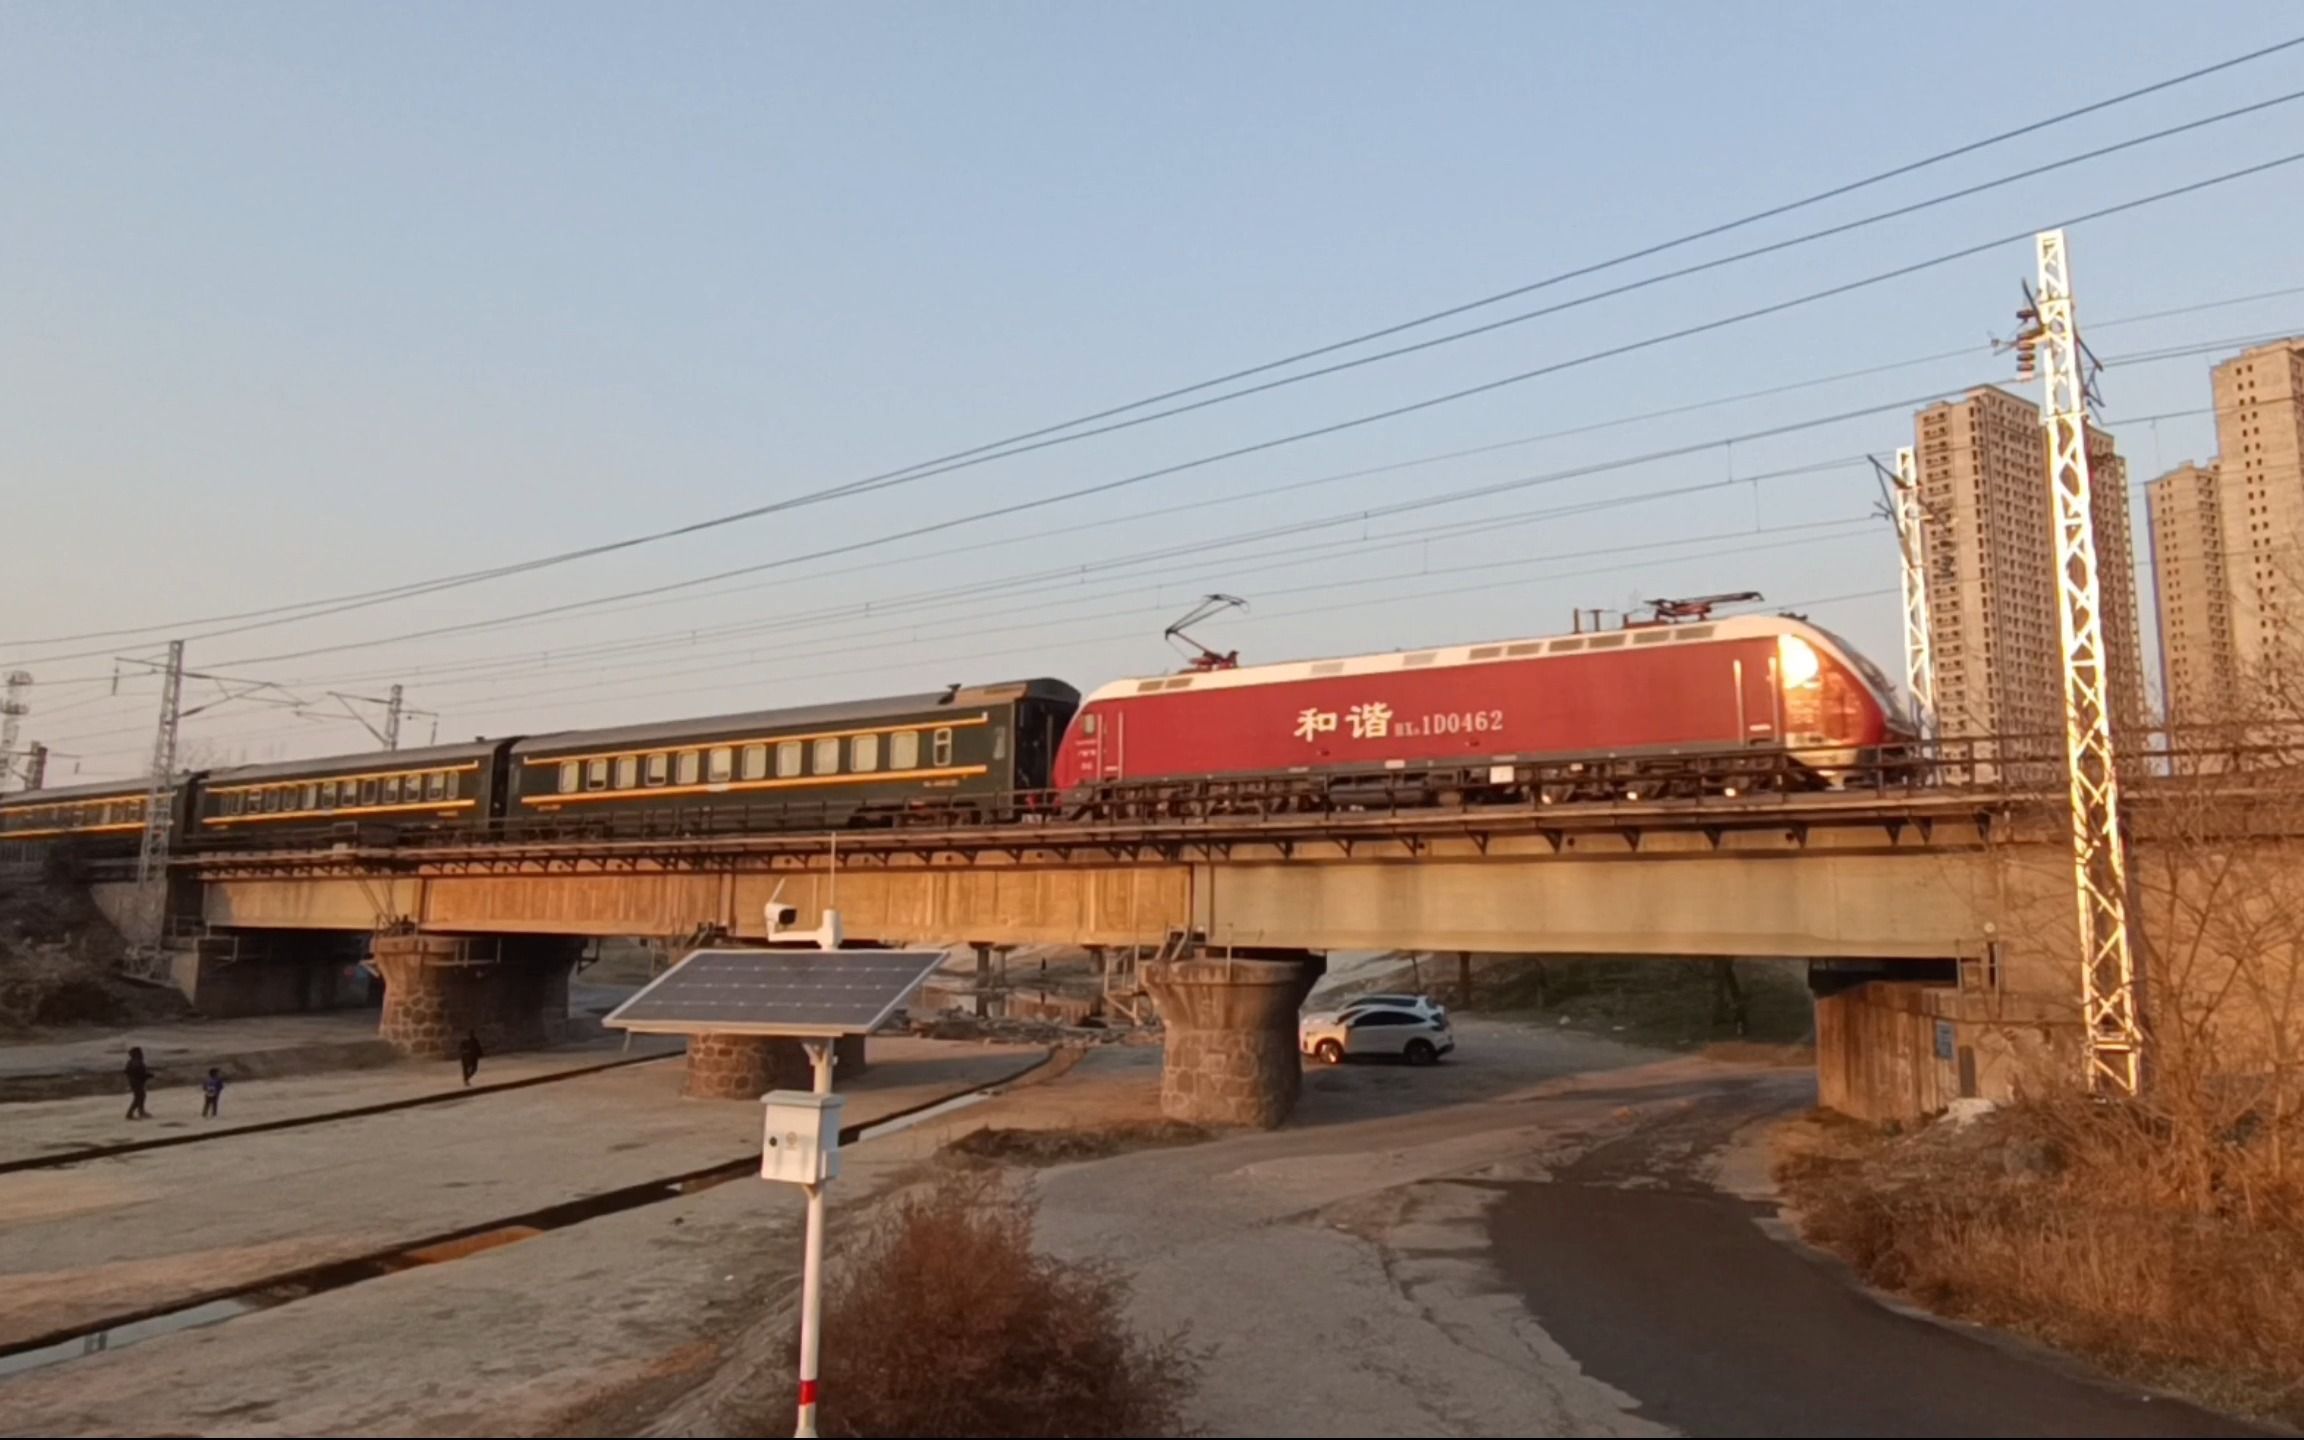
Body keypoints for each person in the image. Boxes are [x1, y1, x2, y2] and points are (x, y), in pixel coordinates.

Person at [124, 1046, 152, 1121]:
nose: (142, 1054)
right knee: (139, 1097)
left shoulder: (132, 1061)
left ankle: (139, 1111)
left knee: (140, 1097)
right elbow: (139, 1073)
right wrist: (147, 1075)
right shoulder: (136, 1062)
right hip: (136, 1082)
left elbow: (127, 1071)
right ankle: (132, 1113)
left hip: (135, 1082)